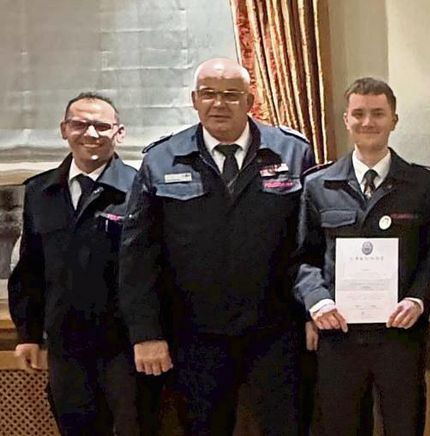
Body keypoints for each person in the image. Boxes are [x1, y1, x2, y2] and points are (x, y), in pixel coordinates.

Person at [118, 57, 315, 435]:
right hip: (194, 335)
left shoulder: (291, 153)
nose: (218, 104)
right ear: (194, 100)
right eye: (208, 94)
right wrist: (146, 333)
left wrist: (312, 311)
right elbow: (138, 254)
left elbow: (309, 244)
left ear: (250, 100)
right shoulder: (162, 159)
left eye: (230, 95)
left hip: (276, 333)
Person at [294, 77, 430, 435]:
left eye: (378, 113)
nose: (367, 122)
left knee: (404, 425)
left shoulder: (422, 185)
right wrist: (317, 302)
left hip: (399, 335)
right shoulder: (319, 185)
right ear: (346, 119)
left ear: (394, 119)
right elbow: (302, 258)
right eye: (358, 114)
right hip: (339, 335)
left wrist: (417, 300)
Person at [9, 92, 160, 435]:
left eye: (101, 126)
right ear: (64, 130)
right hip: (66, 345)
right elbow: (30, 268)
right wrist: (28, 334)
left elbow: (155, 267)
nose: (90, 133)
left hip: (126, 346)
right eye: (80, 124)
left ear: (119, 133)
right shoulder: (39, 191)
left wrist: (152, 334)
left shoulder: (141, 189)